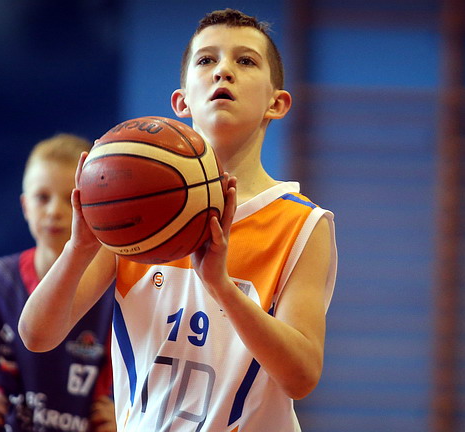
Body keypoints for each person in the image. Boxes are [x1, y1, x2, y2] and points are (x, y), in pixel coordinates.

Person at [19, 8, 337, 432]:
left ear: (276, 103)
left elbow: (301, 378)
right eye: (206, 60)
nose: (223, 70)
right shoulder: (133, 214)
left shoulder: (302, 224)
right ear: (181, 101)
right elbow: (36, 336)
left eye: (245, 60)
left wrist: (221, 287)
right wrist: (79, 248)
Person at [0, 134, 117, 432]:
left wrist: (125, 414)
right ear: (24, 206)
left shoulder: (113, 284)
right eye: (42, 197)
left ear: (93, 205)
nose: (54, 211)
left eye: (70, 198)